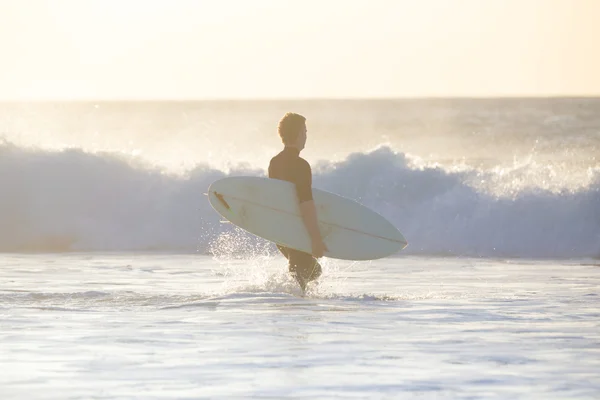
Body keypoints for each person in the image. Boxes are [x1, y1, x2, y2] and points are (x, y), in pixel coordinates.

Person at [268, 112, 328, 292]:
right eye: (306, 132)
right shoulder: (301, 165)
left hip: (281, 231)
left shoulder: (274, 162)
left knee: (308, 271)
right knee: (308, 271)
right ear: (300, 133)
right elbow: (305, 203)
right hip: (297, 229)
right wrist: (316, 239)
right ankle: (295, 308)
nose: (306, 136)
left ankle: (291, 303)